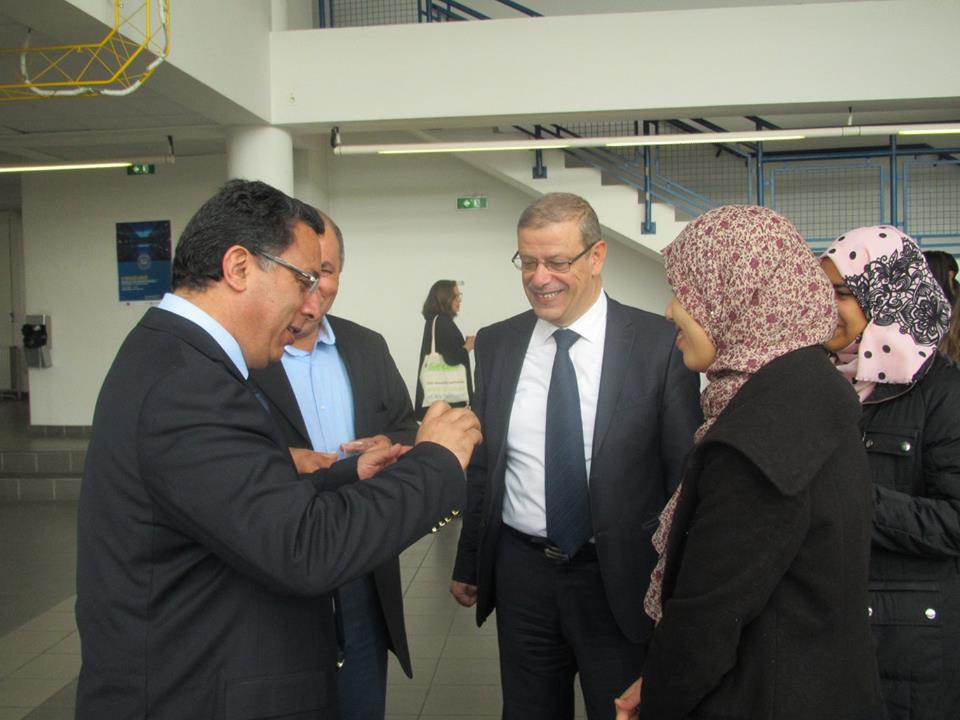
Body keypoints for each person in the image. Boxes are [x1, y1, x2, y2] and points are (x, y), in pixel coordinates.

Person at [76, 179, 481, 720]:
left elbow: (239, 503)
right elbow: (304, 548)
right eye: (303, 279)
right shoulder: (188, 382)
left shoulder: (177, 356)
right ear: (239, 267)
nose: (311, 304)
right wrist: (436, 461)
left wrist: (347, 474)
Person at [614, 205, 884, 720]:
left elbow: (708, 620)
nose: (670, 311)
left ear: (739, 299)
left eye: (688, 294)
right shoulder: (812, 385)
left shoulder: (758, 439)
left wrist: (662, 699)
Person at [450, 192, 702, 720]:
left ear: (597, 256)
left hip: (620, 578)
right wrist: (470, 559)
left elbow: (683, 477)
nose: (539, 278)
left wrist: (678, 592)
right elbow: (485, 466)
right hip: (522, 575)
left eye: (557, 261)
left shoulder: (658, 345)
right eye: (528, 262)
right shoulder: (497, 344)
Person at [250, 212, 417, 720]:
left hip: (362, 574)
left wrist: (390, 443)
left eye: (325, 270)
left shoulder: (367, 347)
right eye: (302, 270)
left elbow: (406, 427)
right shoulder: (246, 356)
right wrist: (286, 462)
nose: (314, 285)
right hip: (277, 579)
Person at [822, 226, 960, 720]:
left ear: (885, 296)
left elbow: (954, 522)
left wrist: (851, 498)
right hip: (825, 635)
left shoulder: (942, 393)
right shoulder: (820, 380)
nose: (823, 305)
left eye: (841, 292)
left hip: (904, 648)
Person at [415, 279, 474, 420]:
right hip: (447, 406)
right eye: (455, 296)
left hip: (436, 404)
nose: (459, 300)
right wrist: (468, 346)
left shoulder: (434, 321)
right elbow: (452, 359)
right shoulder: (443, 322)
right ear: (445, 298)